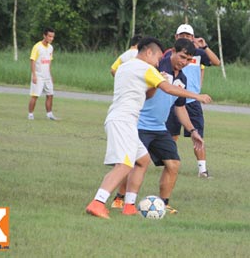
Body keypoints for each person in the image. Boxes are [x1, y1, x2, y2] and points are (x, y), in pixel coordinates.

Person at [85, 37, 212, 219]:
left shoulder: (126, 66)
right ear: (149, 52)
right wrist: (197, 96)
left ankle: (129, 206)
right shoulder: (146, 69)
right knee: (124, 165)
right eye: (158, 57)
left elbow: (149, 93)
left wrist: (156, 82)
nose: (159, 61)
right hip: (124, 121)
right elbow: (167, 89)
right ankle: (98, 203)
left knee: (143, 160)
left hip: (122, 119)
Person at [165, 24, 220, 178]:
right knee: (172, 135)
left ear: (193, 37)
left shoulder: (198, 54)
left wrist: (205, 46)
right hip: (173, 99)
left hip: (192, 102)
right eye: (182, 35)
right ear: (176, 37)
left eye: (188, 36)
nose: (185, 38)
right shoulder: (171, 53)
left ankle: (202, 170)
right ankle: (171, 164)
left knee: (197, 135)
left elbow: (216, 62)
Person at [27, 27, 57, 120]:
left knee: (50, 94)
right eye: (49, 36)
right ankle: (30, 114)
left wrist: (50, 75)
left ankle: (49, 114)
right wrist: (34, 75)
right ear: (44, 36)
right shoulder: (37, 47)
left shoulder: (51, 48)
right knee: (35, 95)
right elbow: (32, 60)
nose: (51, 38)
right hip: (38, 75)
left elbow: (49, 62)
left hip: (47, 76)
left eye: (52, 37)